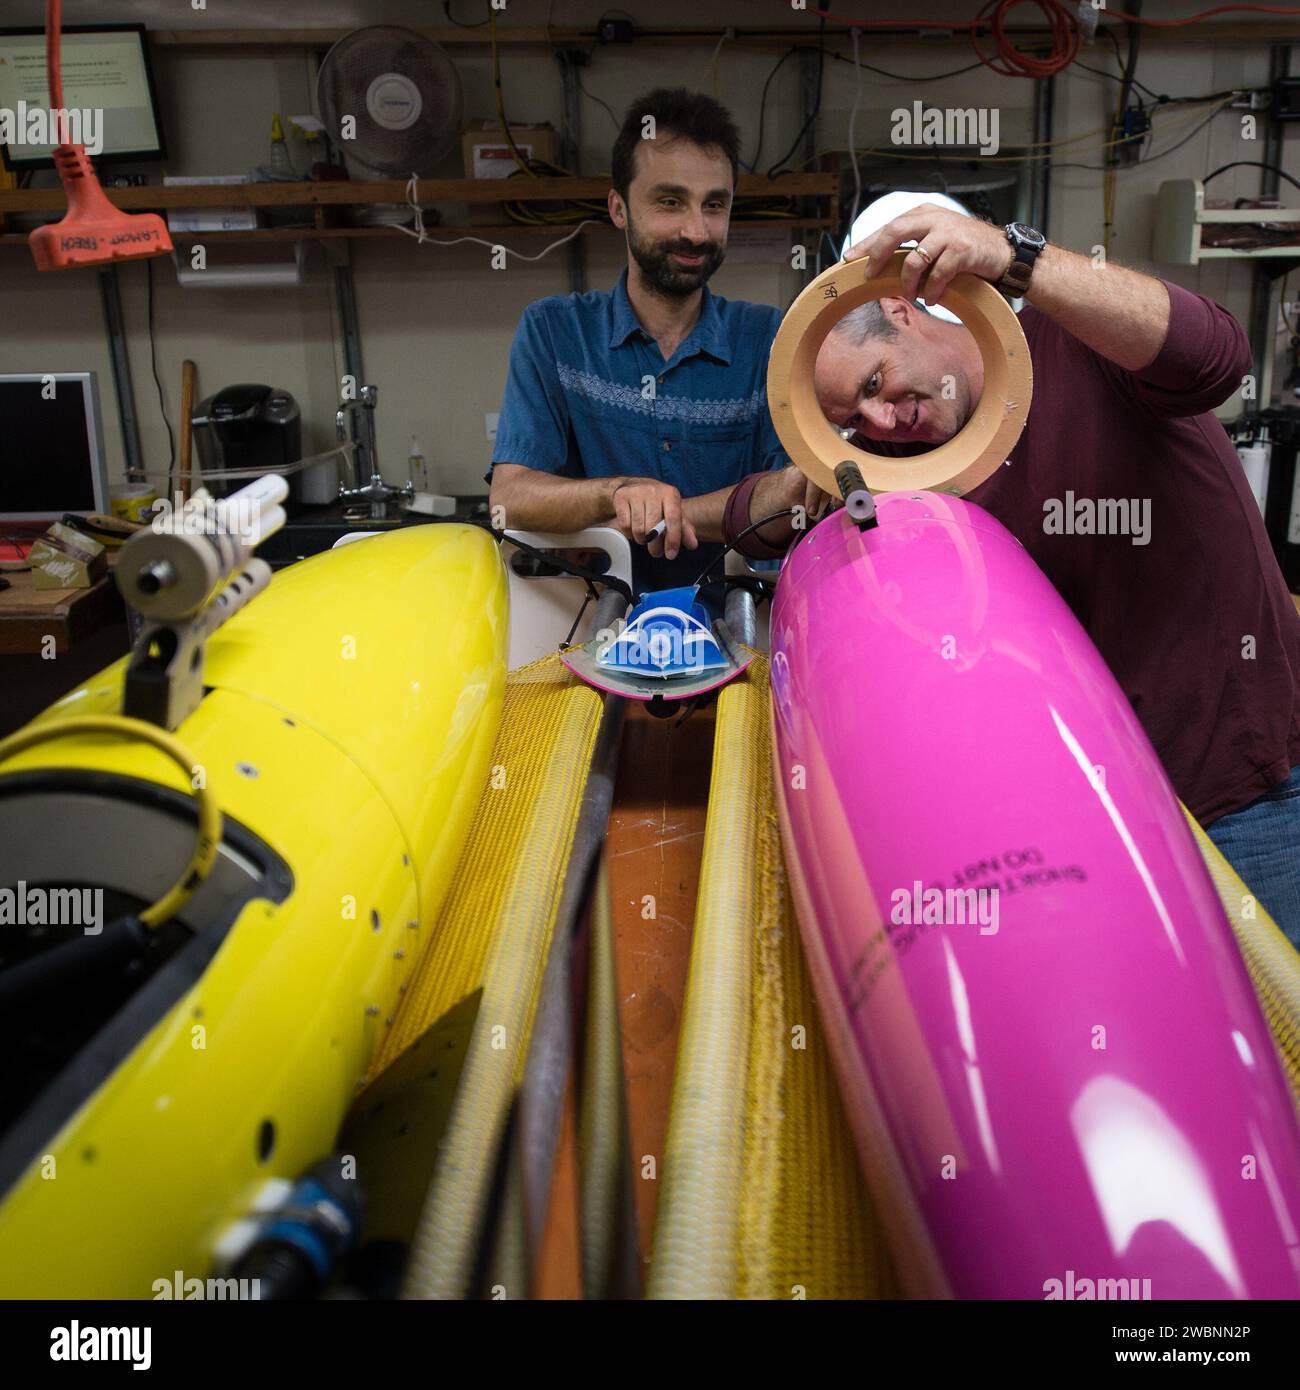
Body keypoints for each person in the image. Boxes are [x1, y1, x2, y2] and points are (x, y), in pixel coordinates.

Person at [811, 196, 1300, 945]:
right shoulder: (915, 461)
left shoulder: (1080, 344)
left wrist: (1016, 257)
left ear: (906, 313)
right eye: (853, 419)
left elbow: (1217, 355)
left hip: (1243, 794)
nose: (879, 423)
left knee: (1280, 1044)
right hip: (1106, 812)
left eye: (874, 383)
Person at [486, 87, 822, 604]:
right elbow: (510, 498)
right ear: (619, 208)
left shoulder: (771, 340)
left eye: (715, 205)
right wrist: (618, 493)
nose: (696, 230)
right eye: (670, 202)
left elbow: (788, 499)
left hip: (740, 643)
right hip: (590, 642)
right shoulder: (554, 331)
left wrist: (666, 514)